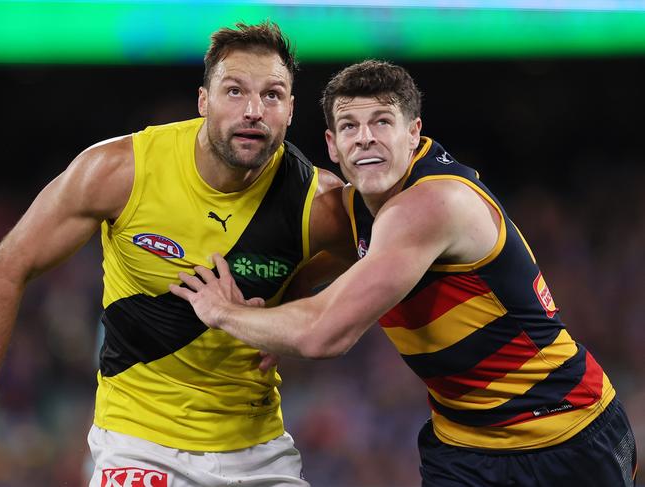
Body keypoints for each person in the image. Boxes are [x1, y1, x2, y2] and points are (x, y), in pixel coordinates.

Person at [170, 60, 638, 486]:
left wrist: (224, 312)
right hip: (463, 445)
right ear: (333, 145)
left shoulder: (432, 205)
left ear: (413, 133)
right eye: (349, 126)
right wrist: (273, 317)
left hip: (566, 434)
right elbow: (313, 278)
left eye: (381, 123)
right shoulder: (355, 206)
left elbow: (323, 335)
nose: (365, 138)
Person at [0, 21, 354, 487]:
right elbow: (9, 266)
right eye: (234, 91)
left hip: (259, 453)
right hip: (138, 445)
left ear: (290, 109)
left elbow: (372, 259)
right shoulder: (119, 171)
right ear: (203, 101)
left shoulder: (318, 202)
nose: (253, 111)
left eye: (272, 95)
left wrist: (292, 306)